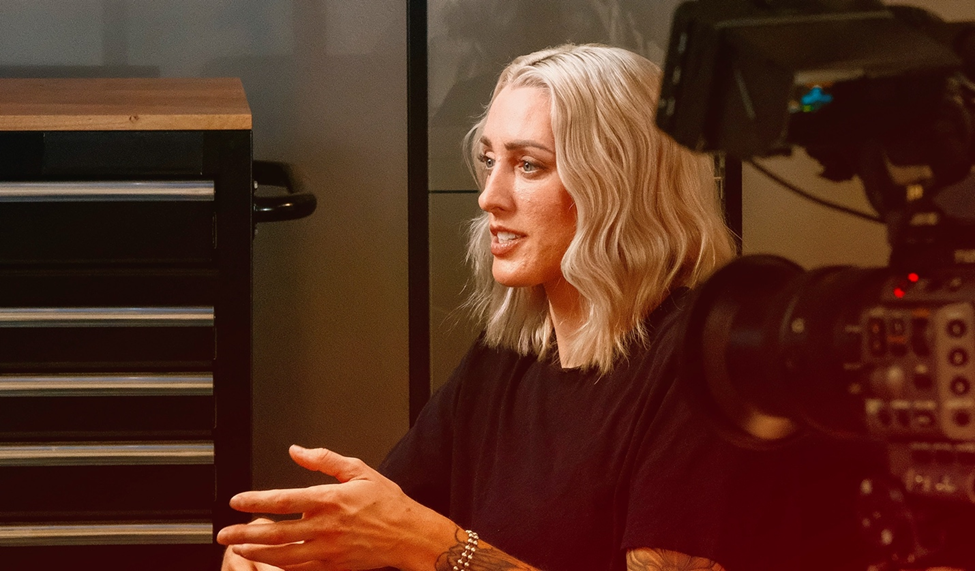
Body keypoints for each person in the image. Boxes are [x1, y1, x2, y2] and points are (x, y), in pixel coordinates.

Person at [218, 43, 873, 571]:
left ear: (617, 184)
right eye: (489, 160)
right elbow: (387, 532)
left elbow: (417, 540)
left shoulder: (706, 369)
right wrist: (292, 556)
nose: (488, 197)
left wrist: (440, 549)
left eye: (528, 165)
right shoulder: (508, 355)